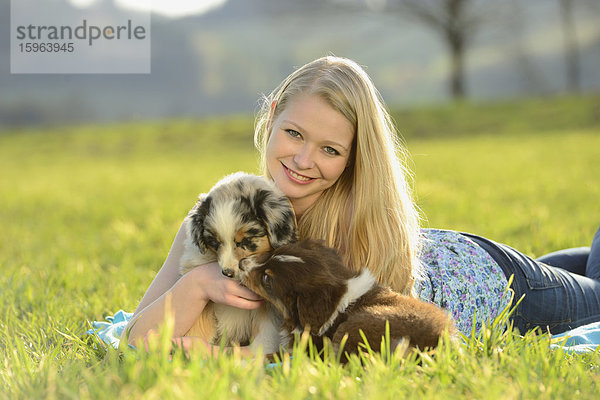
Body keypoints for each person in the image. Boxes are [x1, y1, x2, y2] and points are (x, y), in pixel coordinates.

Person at [123, 56, 600, 353]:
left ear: (354, 159)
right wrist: (199, 283)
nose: (304, 161)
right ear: (272, 118)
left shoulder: (344, 230)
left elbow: (316, 351)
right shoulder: (220, 216)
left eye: (330, 150)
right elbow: (132, 336)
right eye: (294, 134)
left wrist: (218, 355)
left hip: (496, 286)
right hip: (448, 252)